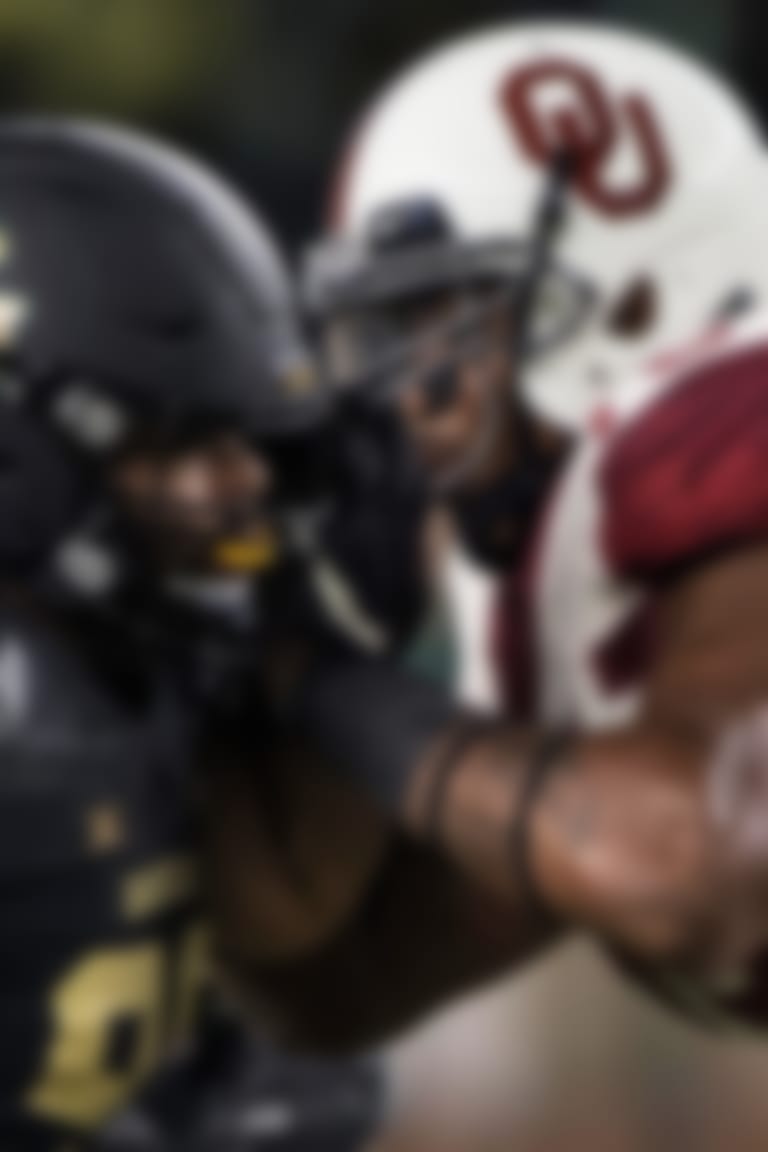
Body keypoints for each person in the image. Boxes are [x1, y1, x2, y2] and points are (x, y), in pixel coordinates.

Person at [294, 22, 768, 1032]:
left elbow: (686, 866)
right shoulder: (556, 565)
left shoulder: (720, 425)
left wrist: (331, 687)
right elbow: (346, 984)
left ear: (637, 299)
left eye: (444, 321)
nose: (412, 394)